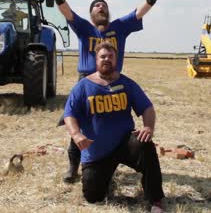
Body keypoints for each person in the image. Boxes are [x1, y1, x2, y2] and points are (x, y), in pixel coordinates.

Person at [46, 0, 166, 183]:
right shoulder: (84, 27)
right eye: (96, 5)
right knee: (80, 125)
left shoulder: (119, 27)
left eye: (103, 5)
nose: (100, 7)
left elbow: (140, 11)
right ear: (91, 13)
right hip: (86, 83)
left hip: (114, 82)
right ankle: (74, 165)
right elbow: (67, 12)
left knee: (114, 122)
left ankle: (118, 156)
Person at [64, 41, 165, 212]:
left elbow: (147, 108)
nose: (107, 59)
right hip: (98, 153)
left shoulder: (127, 83)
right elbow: (69, 114)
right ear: (96, 60)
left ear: (116, 60)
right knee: (93, 197)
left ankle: (155, 199)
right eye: (102, 56)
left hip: (125, 143)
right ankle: (107, 179)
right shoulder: (83, 87)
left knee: (145, 145)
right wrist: (76, 134)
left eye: (110, 56)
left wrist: (148, 127)